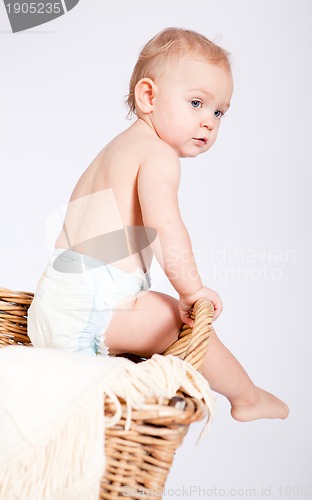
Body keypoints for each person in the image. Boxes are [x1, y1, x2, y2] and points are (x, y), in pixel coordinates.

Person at [28, 27, 289, 422]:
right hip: (93, 308)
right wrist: (191, 289)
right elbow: (166, 226)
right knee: (173, 321)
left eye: (218, 112)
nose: (209, 122)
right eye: (197, 103)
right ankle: (246, 395)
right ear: (148, 97)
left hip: (52, 305)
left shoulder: (118, 148)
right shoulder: (157, 155)